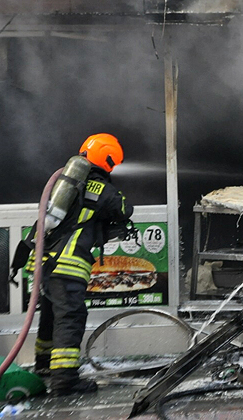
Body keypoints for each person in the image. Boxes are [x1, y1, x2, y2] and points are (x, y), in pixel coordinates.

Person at [24, 133, 134, 397]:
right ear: (107, 159)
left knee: (51, 314)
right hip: (68, 264)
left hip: (44, 261)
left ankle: (44, 366)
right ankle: (65, 380)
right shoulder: (100, 188)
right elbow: (123, 208)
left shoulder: (67, 182)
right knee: (71, 317)